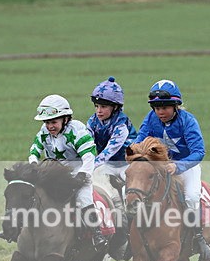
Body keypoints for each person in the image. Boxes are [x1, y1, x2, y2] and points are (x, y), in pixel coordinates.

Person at [133, 79, 210, 261]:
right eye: (157, 107)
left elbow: (199, 152)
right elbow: (139, 140)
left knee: (192, 196)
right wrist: (133, 153)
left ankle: (198, 237)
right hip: (159, 167)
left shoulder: (188, 121)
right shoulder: (151, 118)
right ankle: (130, 236)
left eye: (165, 107)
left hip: (186, 166)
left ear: (176, 105)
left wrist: (178, 166)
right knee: (132, 190)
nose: (160, 112)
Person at [27, 94, 107, 250]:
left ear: (65, 119)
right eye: (47, 122)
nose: (50, 126)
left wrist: (83, 174)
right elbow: (34, 151)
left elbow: (89, 156)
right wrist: (33, 165)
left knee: (83, 197)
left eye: (54, 122)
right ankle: (16, 228)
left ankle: (97, 233)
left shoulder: (77, 130)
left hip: (77, 169)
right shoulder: (44, 131)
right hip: (52, 170)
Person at [87, 76, 138, 179]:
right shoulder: (92, 122)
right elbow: (87, 143)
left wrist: (93, 164)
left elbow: (111, 148)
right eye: (96, 106)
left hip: (126, 164)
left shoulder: (121, 124)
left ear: (115, 107)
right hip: (107, 165)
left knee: (127, 188)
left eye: (103, 107)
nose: (98, 111)